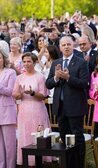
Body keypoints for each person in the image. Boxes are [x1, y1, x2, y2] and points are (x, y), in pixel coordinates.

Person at [45, 36, 89, 168]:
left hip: (75, 107)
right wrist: (56, 77)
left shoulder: (81, 62)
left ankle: (79, 164)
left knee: (77, 138)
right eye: (63, 45)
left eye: (68, 44)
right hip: (60, 107)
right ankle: (67, 164)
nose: (66, 47)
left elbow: (84, 84)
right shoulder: (56, 63)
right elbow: (48, 84)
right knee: (64, 138)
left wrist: (69, 77)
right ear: (60, 47)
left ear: (73, 45)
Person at [12, 52, 50, 166]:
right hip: (23, 109)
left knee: (38, 135)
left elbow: (43, 96)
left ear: (34, 62)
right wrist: (20, 94)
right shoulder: (19, 77)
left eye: (29, 61)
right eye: (24, 62)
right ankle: (26, 160)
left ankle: (40, 160)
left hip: (37, 109)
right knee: (25, 134)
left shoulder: (40, 77)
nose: (26, 64)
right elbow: (14, 94)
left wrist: (32, 92)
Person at [0, 40, 17, 168]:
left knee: (9, 146)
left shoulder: (10, 72)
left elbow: (11, 91)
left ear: (4, 58)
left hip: (7, 113)